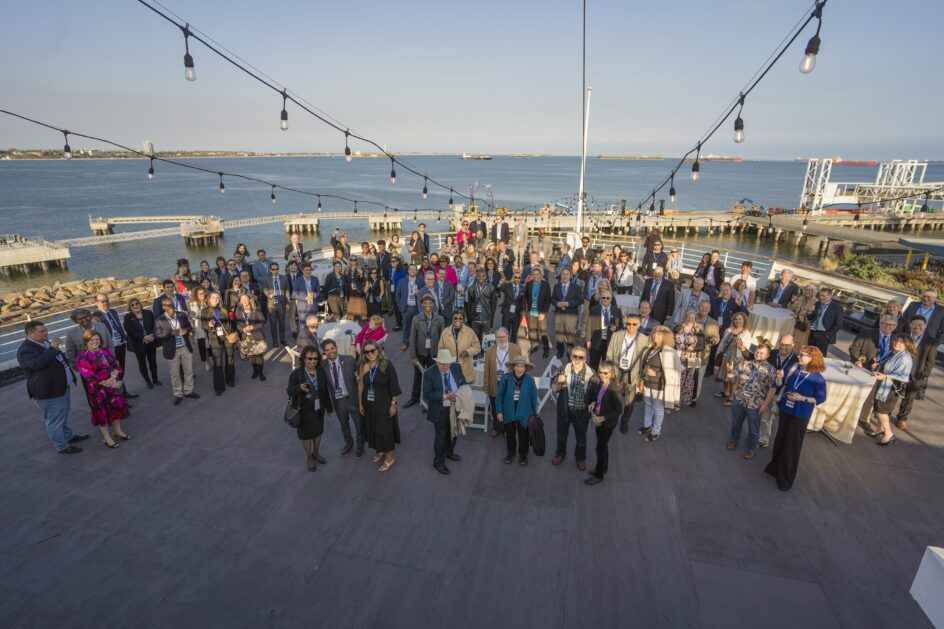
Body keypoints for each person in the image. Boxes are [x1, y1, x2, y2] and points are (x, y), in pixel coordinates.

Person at [17, 320, 87, 454]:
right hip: (48, 391)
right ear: (30, 333)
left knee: (62, 415)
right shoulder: (25, 350)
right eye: (42, 331)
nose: (46, 333)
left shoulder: (44, 342)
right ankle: (62, 446)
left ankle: (68, 436)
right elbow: (38, 363)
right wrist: (53, 348)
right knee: (54, 420)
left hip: (60, 387)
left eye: (46, 330)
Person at [764, 346, 827, 491]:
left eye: (803, 355)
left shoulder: (818, 378)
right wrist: (779, 377)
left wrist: (803, 398)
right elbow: (780, 385)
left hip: (800, 414)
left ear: (812, 358)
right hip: (786, 409)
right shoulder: (795, 369)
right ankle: (775, 469)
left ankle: (785, 479)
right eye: (800, 354)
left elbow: (821, 398)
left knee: (792, 446)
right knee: (780, 439)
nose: (799, 357)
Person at [75, 329, 131, 449]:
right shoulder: (82, 356)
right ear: (86, 342)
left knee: (116, 410)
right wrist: (111, 384)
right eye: (91, 340)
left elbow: (117, 365)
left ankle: (118, 431)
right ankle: (106, 438)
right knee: (102, 414)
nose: (95, 341)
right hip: (98, 391)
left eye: (97, 339)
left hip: (112, 387)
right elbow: (89, 376)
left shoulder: (105, 351)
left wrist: (114, 377)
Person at [726, 343, 777, 460]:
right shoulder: (745, 364)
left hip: (755, 403)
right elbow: (733, 377)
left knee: (754, 428)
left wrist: (765, 404)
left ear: (768, 355)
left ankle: (751, 449)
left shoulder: (771, 370)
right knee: (736, 423)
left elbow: (772, 389)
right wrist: (730, 373)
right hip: (739, 399)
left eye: (762, 353)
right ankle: (733, 440)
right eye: (757, 352)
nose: (758, 354)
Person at [287, 345, 333, 472]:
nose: (312, 361)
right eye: (309, 358)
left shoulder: (321, 372)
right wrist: (299, 388)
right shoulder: (297, 374)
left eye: (315, 359)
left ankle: (316, 453)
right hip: (303, 410)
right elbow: (289, 391)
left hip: (319, 409)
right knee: (306, 436)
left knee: (318, 433)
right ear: (303, 359)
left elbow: (325, 391)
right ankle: (309, 458)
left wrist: (329, 408)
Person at [357, 340, 401, 472]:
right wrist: (360, 403)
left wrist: (393, 404)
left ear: (378, 350)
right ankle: (380, 450)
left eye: (372, 350)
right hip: (369, 404)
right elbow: (360, 385)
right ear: (364, 353)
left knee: (384, 430)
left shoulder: (386, 365)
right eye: (367, 351)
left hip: (383, 404)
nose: (370, 354)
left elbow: (394, 385)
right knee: (374, 428)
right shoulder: (363, 365)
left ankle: (389, 458)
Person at [863, 334, 914, 446]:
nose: (897, 343)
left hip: (891, 389)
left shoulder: (905, 358)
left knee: (882, 411)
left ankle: (888, 434)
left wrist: (885, 376)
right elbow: (885, 364)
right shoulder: (893, 352)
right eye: (896, 340)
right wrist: (877, 365)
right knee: (878, 408)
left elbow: (902, 376)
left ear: (907, 345)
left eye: (901, 342)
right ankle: (879, 430)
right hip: (882, 385)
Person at [422, 349, 467, 475]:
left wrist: (459, 394)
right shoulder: (429, 373)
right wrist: (445, 396)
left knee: (454, 431)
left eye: (447, 363)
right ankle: (439, 462)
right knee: (441, 435)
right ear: (436, 362)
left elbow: (463, 383)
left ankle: (449, 452)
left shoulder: (456, 367)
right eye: (441, 363)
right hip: (440, 408)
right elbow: (427, 393)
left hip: (456, 406)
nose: (445, 366)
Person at [551, 348, 594, 470]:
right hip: (564, 408)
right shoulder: (563, 369)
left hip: (581, 411)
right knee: (561, 434)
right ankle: (560, 454)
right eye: (575, 356)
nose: (577, 360)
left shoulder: (591, 373)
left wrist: (594, 403)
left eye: (581, 357)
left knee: (581, 436)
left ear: (585, 359)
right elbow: (553, 387)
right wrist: (557, 381)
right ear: (571, 357)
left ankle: (580, 458)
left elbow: (596, 393)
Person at [606, 314, 649, 433]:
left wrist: (642, 378)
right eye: (628, 324)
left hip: (633, 373)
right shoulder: (616, 335)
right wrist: (610, 371)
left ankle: (625, 421)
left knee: (629, 401)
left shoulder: (644, 339)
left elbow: (645, 360)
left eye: (634, 324)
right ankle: (612, 418)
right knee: (614, 397)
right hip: (617, 371)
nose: (631, 326)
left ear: (639, 325)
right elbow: (609, 354)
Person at [637, 326, 681, 442]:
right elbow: (643, 366)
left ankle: (656, 431)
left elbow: (673, 373)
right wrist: (641, 381)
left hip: (660, 385)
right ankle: (647, 426)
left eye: (659, 334)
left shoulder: (669, 351)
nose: (655, 336)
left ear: (665, 337)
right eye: (654, 333)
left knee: (658, 408)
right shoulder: (650, 348)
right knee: (648, 404)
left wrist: (655, 374)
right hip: (647, 383)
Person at [322, 338, 364, 458]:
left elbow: (361, 374)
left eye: (332, 348)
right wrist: (327, 407)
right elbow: (324, 388)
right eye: (327, 350)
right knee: (344, 424)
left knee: (358, 423)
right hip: (338, 401)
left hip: (353, 398)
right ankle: (349, 443)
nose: (330, 351)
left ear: (336, 348)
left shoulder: (349, 360)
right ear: (324, 352)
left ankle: (360, 445)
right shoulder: (323, 366)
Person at [154, 297, 199, 405]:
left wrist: (185, 331)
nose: (172, 308)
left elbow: (189, 326)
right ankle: (178, 394)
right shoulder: (159, 319)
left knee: (188, 371)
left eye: (173, 305)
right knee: (175, 374)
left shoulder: (181, 315)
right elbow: (157, 334)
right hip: (171, 350)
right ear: (163, 307)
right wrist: (171, 333)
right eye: (169, 306)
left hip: (185, 347)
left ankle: (188, 391)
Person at [584, 360, 623, 485]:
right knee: (603, 445)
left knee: (600, 448)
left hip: (607, 424)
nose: (602, 375)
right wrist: (593, 403)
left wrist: (602, 418)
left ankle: (598, 474)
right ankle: (603, 467)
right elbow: (599, 398)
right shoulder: (603, 383)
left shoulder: (614, 389)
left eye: (605, 373)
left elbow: (618, 410)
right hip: (600, 419)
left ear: (611, 373)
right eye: (600, 372)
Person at [896, 316, 937, 430]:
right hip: (899, 370)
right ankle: (887, 411)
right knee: (894, 392)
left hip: (916, 374)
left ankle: (902, 418)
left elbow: (931, 361)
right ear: (910, 325)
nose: (917, 327)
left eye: (920, 325)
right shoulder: (903, 337)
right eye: (914, 324)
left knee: (909, 397)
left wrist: (924, 374)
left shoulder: (931, 342)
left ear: (925, 326)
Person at [495, 355, 538, 466]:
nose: (519, 369)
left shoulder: (530, 380)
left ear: (525, 368)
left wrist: (535, 414)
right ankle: (511, 453)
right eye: (517, 366)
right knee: (510, 435)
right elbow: (499, 396)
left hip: (525, 414)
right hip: (509, 412)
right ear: (513, 367)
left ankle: (523, 456)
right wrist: (499, 411)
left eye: (522, 366)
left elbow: (534, 398)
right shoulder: (506, 378)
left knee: (523, 436)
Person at [759, 335, 798, 449]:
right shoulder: (772, 354)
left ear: (793, 345)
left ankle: (778, 443)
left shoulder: (796, 360)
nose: (783, 347)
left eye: (787, 345)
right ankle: (763, 439)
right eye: (782, 344)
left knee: (780, 421)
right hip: (769, 391)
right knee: (765, 417)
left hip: (783, 395)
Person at [405, 294, 444, 407]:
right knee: (417, 376)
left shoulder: (440, 319)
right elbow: (412, 339)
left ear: (433, 304)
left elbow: (442, 339)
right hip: (420, 353)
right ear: (422, 304)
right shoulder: (416, 319)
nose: (427, 305)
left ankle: (429, 400)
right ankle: (414, 398)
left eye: (430, 303)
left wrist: (440, 356)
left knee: (433, 377)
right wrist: (413, 356)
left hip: (434, 353)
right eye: (425, 303)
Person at [93, 293, 135, 398]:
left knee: (121, 370)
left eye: (107, 300)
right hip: (109, 348)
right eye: (103, 301)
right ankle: (120, 396)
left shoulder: (113, 311)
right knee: (113, 372)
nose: (106, 303)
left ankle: (123, 392)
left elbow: (118, 326)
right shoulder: (95, 317)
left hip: (120, 344)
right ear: (97, 303)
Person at [483, 327, 522, 437]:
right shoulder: (490, 350)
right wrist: (486, 387)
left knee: (508, 406)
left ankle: (506, 428)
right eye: (498, 337)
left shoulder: (516, 349)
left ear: (508, 337)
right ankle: (496, 427)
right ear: (495, 338)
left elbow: (520, 367)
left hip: (509, 382)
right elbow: (487, 370)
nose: (501, 339)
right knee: (495, 406)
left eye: (503, 337)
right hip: (495, 382)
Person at [202, 291, 237, 396]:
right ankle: (219, 387)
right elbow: (203, 326)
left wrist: (233, 333)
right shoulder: (204, 310)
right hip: (215, 338)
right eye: (213, 297)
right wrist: (209, 324)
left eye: (217, 298)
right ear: (208, 299)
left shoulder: (224, 308)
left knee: (230, 358)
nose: (215, 300)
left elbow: (230, 322)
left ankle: (230, 380)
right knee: (218, 362)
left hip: (227, 336)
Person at [716, 311, 753, 407]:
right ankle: (726, 392)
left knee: (733, 378)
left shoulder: (746, 333)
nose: (738, 321)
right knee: (724, 375)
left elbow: (746, 349)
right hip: (726, 355)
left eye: (740, 319)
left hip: (737, 358)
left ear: (744, 320)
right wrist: (719, 352)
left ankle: (731, 397)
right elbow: (723, 342)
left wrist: (739, 344)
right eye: (736, 319)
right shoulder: (729, 330)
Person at [123, 297, 161, 389]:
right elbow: (130, 331)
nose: (135, 306)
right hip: (138, 344)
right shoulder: (128, 317)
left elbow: (154, 325)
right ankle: (148, 381)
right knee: (142, 363)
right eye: (132, 305)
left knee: (153, 362)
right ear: (130, 307)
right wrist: (143, 337)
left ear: (140, 304)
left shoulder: (148, 313)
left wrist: (152, 336)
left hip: (151, 341)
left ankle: (155, 379)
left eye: (137, 303)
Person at [673, 311, 707, 407]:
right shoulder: (678, 328)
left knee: (690, 379)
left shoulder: (698, 331)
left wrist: (694, 348)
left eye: (692, 318)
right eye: (688, 317)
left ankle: (686, 400)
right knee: (677, 378)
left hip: (693, 357)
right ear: (685, 317)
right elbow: (671, 341)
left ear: (695, 319)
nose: (690, 319)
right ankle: (675, 400)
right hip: (678, 355)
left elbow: (702, 346)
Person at [438, 311, 481, 383]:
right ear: (452, 319)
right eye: (455, 318)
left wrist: (468, 352)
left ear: (463, 320)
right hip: (450, 366)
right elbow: (440, 348)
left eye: (460, 318)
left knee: (464, 391)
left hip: (465, 367)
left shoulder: (470, 331)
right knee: (451, 390)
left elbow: (477, 347)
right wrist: (446, 357)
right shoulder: (445, 332)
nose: (458, 320)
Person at [584, 291, 622, 370]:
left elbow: (621, 326)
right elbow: (589, 325)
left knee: (607, 366)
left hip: (610, 343)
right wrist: (588, 340)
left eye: (608, 298)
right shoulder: (594, 309)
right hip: (596, 342)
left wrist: (616, 328)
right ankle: (593, 381)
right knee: (593, 365)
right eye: (603, 298)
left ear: (611, 299)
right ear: (600, 299)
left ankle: (604, 382)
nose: (605, 300)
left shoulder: (617, 311)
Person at [550, 267, 582, 359]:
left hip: (571, 316)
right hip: (559, 315)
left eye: (567, 274)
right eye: (563, 274)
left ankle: (570, 353)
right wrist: (557, 303)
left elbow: (580, 300)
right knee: (559, 336)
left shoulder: (576, 287)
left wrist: (568, 303)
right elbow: (552, 299)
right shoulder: (556, 286)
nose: (564, 276)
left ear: (570, 276)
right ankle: (560, 351)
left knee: (570, 337)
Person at [523, 267, 551, 358]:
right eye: (534, 274)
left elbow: (548, 299)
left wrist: (544, 313)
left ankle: (546, 348)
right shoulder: (529, 284)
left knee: (543, 331)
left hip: (541, 312)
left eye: (537, 274)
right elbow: (525, 297)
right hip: (531, 311)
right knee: (532, 330)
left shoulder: (545, 285)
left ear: (540, 275)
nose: (535, 276)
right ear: (532, 275)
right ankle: (535, 346)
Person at [807, 287, 842, 357]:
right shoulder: (817, 304)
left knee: (820, 356)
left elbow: (838, 324)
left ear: (830, 296)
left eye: (823, 296)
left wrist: (827, 335)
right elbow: (810, 318)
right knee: (809, 353)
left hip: (824, 335)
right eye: (820, 295)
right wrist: (809, 312)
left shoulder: (837, 307)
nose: (821, 297)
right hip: (813, 332)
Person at [263, 261, 289, 347]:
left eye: (277, 269)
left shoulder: (284, 278)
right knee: (273, 324)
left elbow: (287, 291)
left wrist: (288, 303)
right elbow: (264, 289)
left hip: (281, 304)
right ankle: (275, 341)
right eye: (273, 269)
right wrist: (268, 295)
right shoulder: (267, 279)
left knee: (282, 323)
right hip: (272, 304)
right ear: (270, 270)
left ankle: (283, 339)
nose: (275, 271)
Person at [396, 264, 422, 348]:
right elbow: (397, 295)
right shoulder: (402, 281)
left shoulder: (420, 281)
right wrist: (401, 307)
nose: (412, 271)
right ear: (408, 271)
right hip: (406, 308)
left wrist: (420, 293)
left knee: (418, 327)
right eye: (410, 269)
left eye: (414, 269)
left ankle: (417, 343)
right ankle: (405, 342)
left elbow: (424, 294)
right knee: (406, 326)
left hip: (417, 308)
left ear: (416, 271)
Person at [466, 269, 495, 342]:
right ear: (476, 276)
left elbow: (493, 305)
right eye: (479, 276)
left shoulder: (491, 288)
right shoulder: (471, 288)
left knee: (485, 340)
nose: (481, 278)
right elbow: (468, 305)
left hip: (486, 319)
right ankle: (477, 353)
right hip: (475, 319)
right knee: (475, 340)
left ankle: (484, 353)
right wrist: (469, 320)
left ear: (486, 277)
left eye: (483, 276)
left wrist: (491, 321)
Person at [291, 263, 321, 331]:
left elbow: (319, 292)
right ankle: (303, 340)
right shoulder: (298, 280)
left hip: (313, 306)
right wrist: (305, 298)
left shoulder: (315, 279)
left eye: (310, 270)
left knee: (314, 326)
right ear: (303, 271)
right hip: (303, 308)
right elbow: (294, 294)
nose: (308, 271)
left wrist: (315, 295)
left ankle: (314, 340)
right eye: (306, 270)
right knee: (303, 327)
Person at [500, 270, 527, 343]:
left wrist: (523, 311)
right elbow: (498, 289)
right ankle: (504, 346)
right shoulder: (506, 286)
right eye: (515, 277)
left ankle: (512, 347)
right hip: (507, 313)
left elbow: (523, 301)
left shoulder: (523, 288)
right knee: (505, 332)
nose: (517, 279)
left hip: (517, 314)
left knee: (515, 333)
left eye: (519, 278)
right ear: (512, 278)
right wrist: (500, 283)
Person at [284, 260, 302, 339]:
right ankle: (294, 331)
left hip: (301, 299)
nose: (293, 266)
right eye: (291, 265)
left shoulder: (301, 275)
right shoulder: (285, 277)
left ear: (297, 267)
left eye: (295, 265)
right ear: (288, 267)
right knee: (292, 316)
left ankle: (303, 329)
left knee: (302, 314)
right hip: (291, 299)